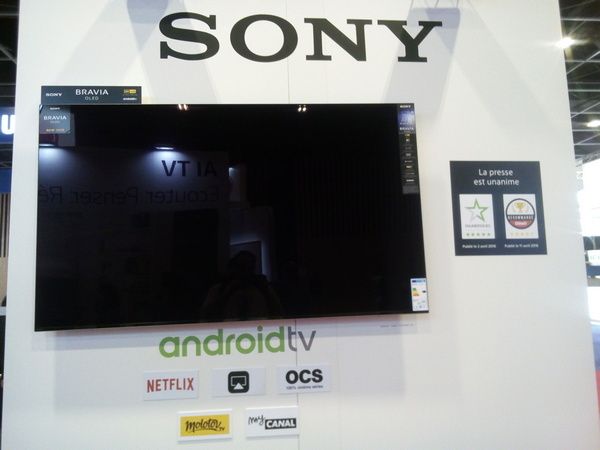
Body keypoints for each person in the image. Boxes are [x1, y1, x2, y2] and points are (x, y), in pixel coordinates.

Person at [202, 251, 283, 321]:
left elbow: (279, 313)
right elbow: (206, 316)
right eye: (242, 267)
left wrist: (265, 291)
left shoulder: (264, 288)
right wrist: (228, 292)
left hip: (259, 331)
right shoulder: (218, 289)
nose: (245, 272)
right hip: (228, 332)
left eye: (250, 268)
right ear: (233, 268)